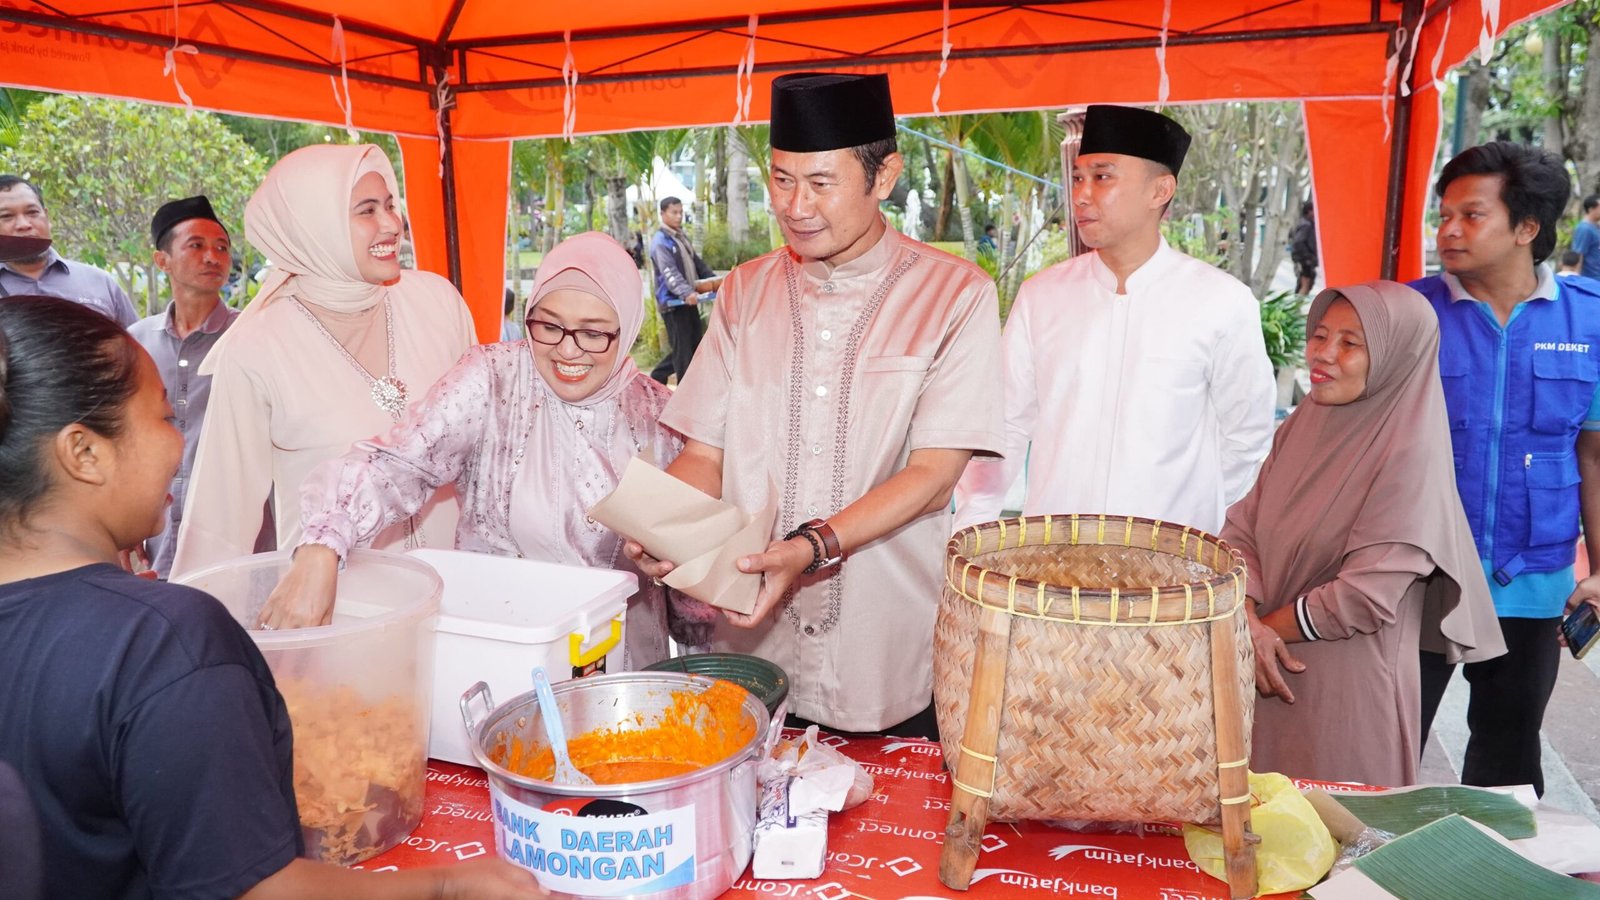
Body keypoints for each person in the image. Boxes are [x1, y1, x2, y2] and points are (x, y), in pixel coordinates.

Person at [0, 296, 542, 899]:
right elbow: (256, 891)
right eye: (164, 419)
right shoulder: (164, 644)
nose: (180, 446)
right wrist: (447, 886)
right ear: (84, 453)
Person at [626, 71, 1004, 737]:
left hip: (884, 654)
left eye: (820, 184)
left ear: (883, 176)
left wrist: (808, 548)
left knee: (887, 836)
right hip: (751, 648)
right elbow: (705, 454)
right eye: (780, 179)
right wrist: (661, 525)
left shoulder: (956, 296)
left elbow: (933, 474)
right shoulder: (744, 292)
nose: (794, 205)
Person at [259, 233, 711, 664]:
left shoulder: (661, 419)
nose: (568, 351)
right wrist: (323, 542)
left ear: (627, 327)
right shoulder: (493, 381)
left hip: (620, 671)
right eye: (548, 326)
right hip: (502, 657)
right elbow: (399, 464)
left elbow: (692, 598)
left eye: (594, 333)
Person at [1223, 282, 1504, 786]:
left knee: (1338, 844)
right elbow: (1243, 524)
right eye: (1321, 336)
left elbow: (1365, 596)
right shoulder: (1305, 421)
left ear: (1397, 357)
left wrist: (1252, 633)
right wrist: (1246, 617)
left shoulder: (1410, 451)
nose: (1324, 354)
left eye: (1351, 343)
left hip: (1343, 689)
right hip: (1263, 665)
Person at [953, 104, 1275, 535]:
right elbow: (1005, 426)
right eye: (1078, 177)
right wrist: (975, 520)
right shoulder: (1043, 296)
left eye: (1102, 177)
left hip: (1169, 571)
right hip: (1054, 560)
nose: (1082, 194)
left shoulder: (1221, 302)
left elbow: (1247, 440)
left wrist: (1195, 523)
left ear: (1160, 190)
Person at [171, 145, 470, 579]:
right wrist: (198, 636)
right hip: (342, 617)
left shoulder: (437, 303)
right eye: (366, 211)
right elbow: (220, 519)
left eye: (390, 204)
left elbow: (487, 447)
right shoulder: (259, 347)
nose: (391, 224)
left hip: (459, 601)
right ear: (313, 226)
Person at [1413, 142, 1600, 795]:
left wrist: (1599, 571)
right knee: (1384, 746)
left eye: (1471, 215)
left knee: (1508, 763)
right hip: (1420, 577)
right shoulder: (1409, 313)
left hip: (1533, 580)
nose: (1449, 232)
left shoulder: (1590, 320)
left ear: (1527, 229)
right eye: (1444, 216)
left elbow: (1594, 453)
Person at [128, 196, 245, 578]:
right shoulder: (135, 342)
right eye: (196, 245)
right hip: (156, 535)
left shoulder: (250, 336)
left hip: (236, 535)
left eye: (222, 248)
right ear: (162, 261)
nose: (213, 257)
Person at [0, 175, 138, 325]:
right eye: (7, 216)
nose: (24, 224)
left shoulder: (100, 283)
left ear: (47, 217)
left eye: (32, 212)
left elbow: (136, 343)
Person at [648, 196, 721, 386]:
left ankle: (656, 379)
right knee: (683, 354)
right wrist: (685, 293)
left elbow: (697, 264)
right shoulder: (661, 242)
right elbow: (669, 273)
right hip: (674, 304)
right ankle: (680, 396)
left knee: (693, 348)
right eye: (674, 212)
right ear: (662, 214)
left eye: (681, 212)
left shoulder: (680, 237)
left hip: (688, 301)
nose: (679, 216)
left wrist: (716, 281)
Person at [1291, 200, 1318, 295]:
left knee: (1308, 283)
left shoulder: (1308, 224)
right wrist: (1307, 257)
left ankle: (1297, 305)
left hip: (1306, 259)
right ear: (1309, 211)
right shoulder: (1305, 225)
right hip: (1304, 260)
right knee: (1305, 284)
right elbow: (1299, 242)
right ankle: (1296, 307)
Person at [1573, 194, 1600, 280]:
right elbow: (1578, 254)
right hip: (1591, 279)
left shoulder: (1596, 227)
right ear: (1591, 209)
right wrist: (1577, 279)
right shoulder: (1584, 229)